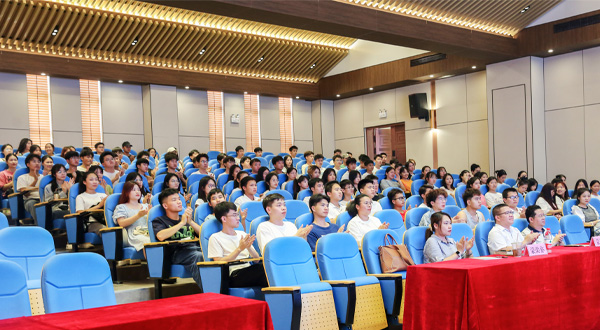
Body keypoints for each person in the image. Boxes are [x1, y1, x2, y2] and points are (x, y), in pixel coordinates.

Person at [207, 202, 267, 287]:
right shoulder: (215, 237)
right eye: (234, 215)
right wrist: (239, 249)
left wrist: (249, 247)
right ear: (224, 219)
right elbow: (219, 262)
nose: (238, 218)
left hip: (248, 270)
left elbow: (256, 259)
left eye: (237, 215)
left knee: (267, 268)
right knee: (263, 270)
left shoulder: (241, 234)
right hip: (233, 274)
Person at [153, 188, 203, 286]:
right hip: (177, 253)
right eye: (174, 200)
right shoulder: (160, 220)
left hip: (194, 249)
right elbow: (160, 236)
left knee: (209, 254)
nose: (179, 202)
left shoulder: (185, 219)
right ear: (165, 205)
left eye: (179, 199)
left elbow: (203, 234)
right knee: (199, 256)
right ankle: (211, 292)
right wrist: (181, 223)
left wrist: (190, 222)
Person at [113, 181, 151, 255]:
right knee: (148, 241)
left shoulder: (145, 206)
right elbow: (121, 223)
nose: (137, 192)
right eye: (133, 190)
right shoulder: (121, 207)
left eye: (138, 190)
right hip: (133, 234)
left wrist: (150, 214)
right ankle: (153, 266)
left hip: (148, 232)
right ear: (126, 192)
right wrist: (138, 215)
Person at [75, 171, 108, 238]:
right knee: (107, 231)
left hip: (106, 220)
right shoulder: (80, 197)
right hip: (91, 223)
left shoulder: (103, 195)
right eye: (91, 180)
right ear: (84, 182)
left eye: (96, 179)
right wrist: (99, 206)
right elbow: (80, 213)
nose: (95, 182)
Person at [17, 153, 42, 225]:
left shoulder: (44, 177)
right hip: (30, 200)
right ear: (28, 164)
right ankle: (39, 227)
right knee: (33, 204)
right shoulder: (22, 177)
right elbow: (25, 193)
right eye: (34, 161)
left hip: (43, 199)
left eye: (38, 161)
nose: (37, 163)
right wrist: (35, 180)